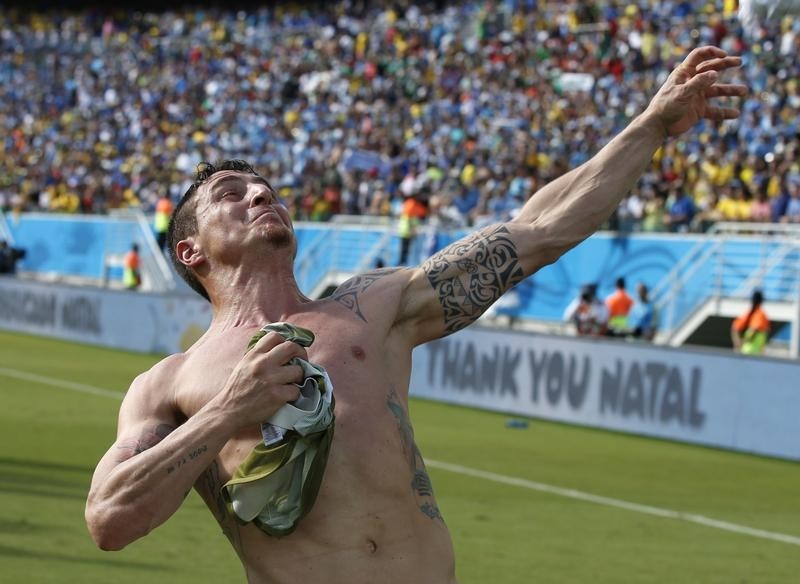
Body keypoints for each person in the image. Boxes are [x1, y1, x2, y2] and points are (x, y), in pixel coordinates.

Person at [85, 47, 745, 583]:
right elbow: (110, 520)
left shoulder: (372, 305)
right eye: (233, 194)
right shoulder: (171, 384)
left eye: (267, 187)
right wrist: (229, 410)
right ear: (190, 250)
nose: (262, 192)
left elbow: (538, 230)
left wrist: (653, 123)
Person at [731, 289, 770, 355]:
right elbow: (754, 330)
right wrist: (742, 342)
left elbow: (734, 327)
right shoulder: (760, 315)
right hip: (754, 353)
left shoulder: (749, 314)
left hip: (745, 351)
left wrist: (738, 343)